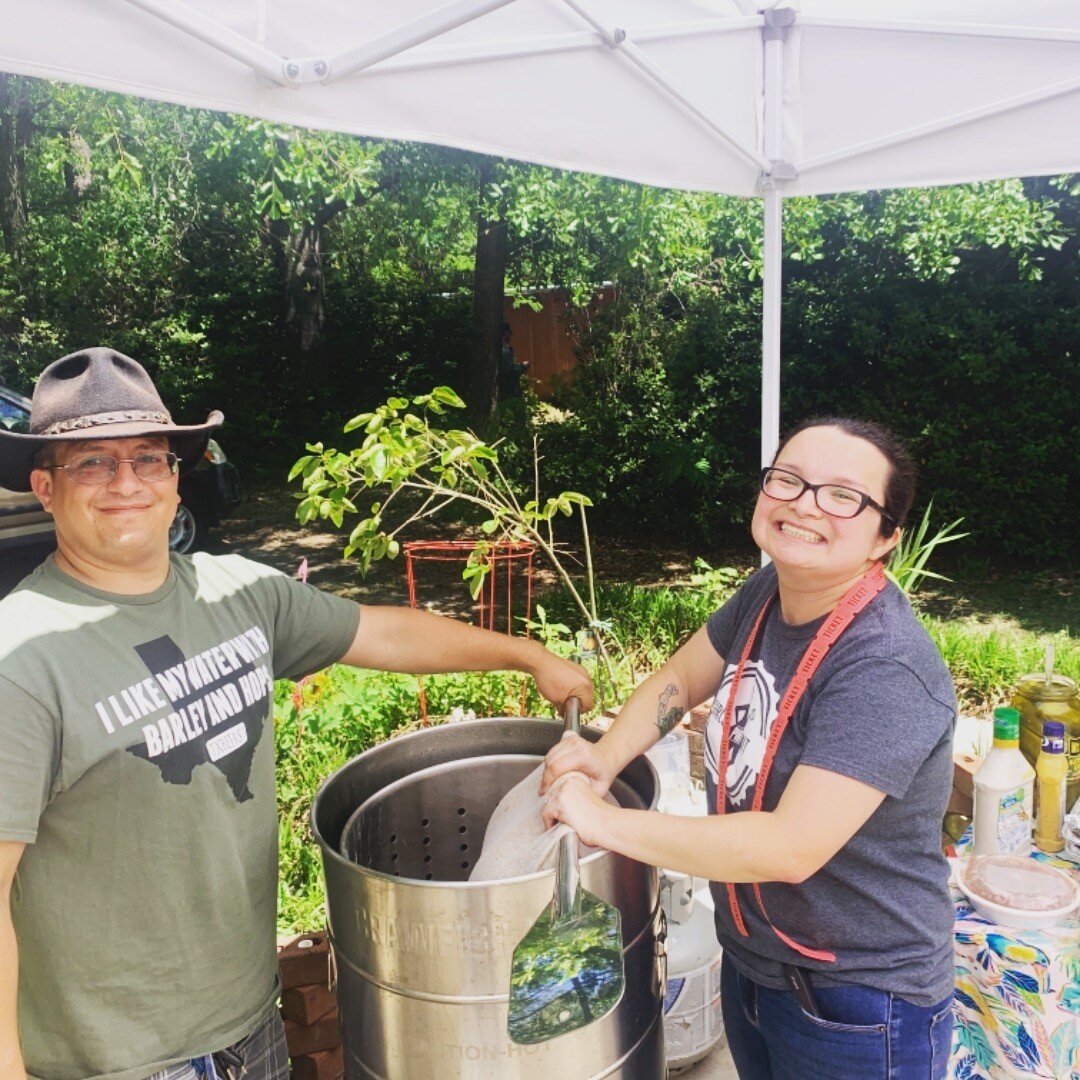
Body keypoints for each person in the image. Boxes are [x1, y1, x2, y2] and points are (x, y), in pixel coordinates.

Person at [0, 348, 592, 1080]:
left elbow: (378, 630)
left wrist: (527, 653)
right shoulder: (21, 659)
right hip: (114, 1060)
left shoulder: (238, 595)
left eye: (148, 458)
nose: (127, 482)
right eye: (93, 463)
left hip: (250, 1029)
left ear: (176, 477)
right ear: (44, 486)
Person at [542, 418, 957, 1080]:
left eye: (842, 494)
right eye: (788, 479)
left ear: (886, 537)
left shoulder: (885, 666)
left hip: (858, 1001)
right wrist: (604, 757)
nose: (804, 502)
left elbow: (788, 848)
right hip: (756, 963)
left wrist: (606, 822)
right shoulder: (769, 593)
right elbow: (681, 678)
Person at [498, 322, 529, 401]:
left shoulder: (502, 349)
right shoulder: (504, 350)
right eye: (509, 333)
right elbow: (510, 369)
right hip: (508, 387)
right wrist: (523, 366)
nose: (510, 336)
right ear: (505, 333)